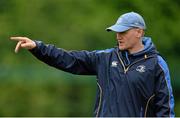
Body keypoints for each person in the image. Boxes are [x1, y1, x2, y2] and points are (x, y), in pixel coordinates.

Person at [10, 12, 175, 117]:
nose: (118, 36)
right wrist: (38, 47)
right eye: (117, 32)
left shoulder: (156, 64)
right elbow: (69, 59)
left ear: (139, 32)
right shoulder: (105, 58)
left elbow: (165, 108)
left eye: (123, 32)